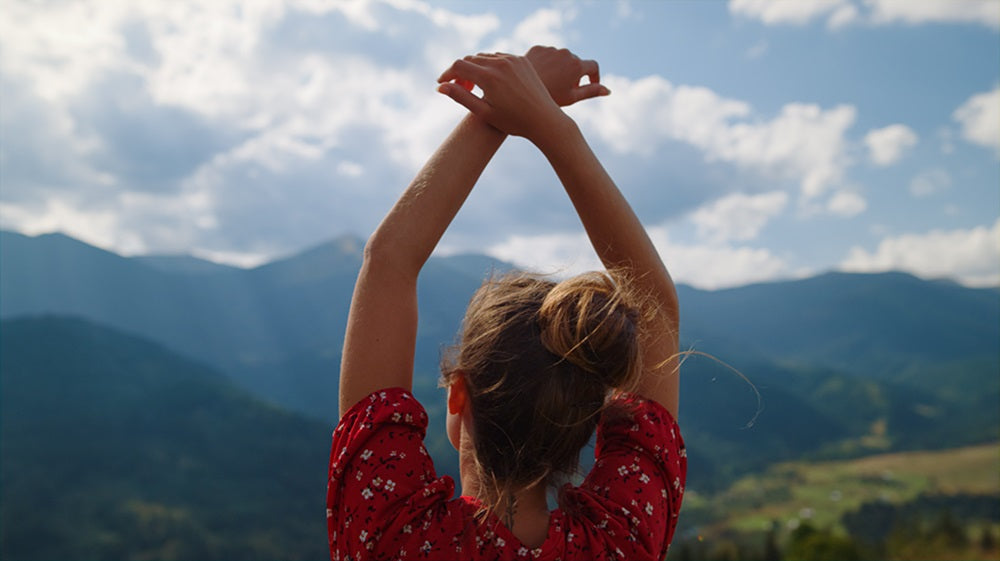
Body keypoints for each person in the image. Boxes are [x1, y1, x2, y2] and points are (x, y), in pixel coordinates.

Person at [327, 46, 685, 561]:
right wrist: (544, 122)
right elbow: (653, 306)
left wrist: (509, 112)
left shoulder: (391, 535)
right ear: (586, 418)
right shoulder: (621, 540)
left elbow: (388, 262)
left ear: (458, 395)